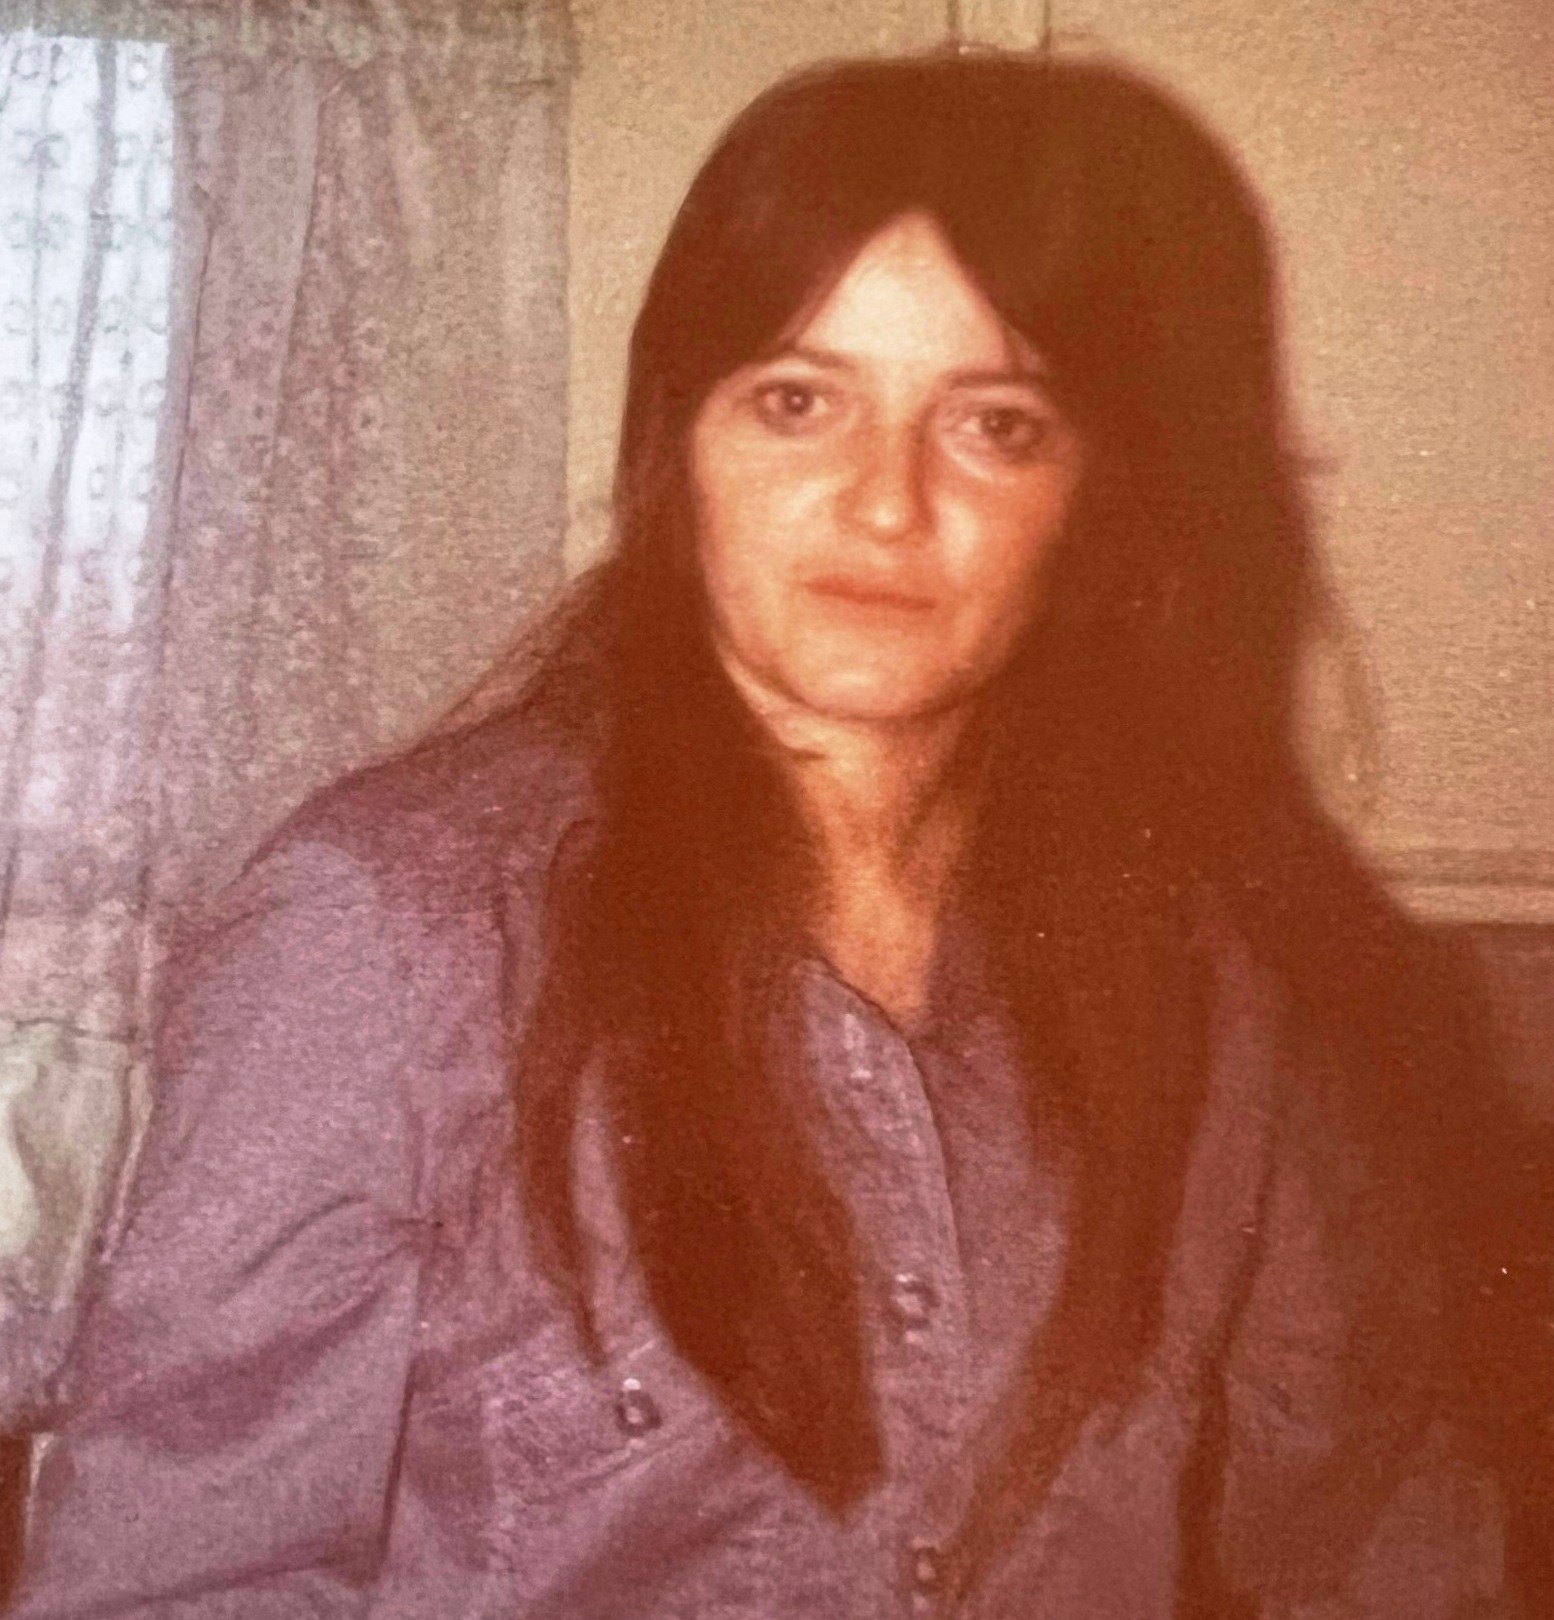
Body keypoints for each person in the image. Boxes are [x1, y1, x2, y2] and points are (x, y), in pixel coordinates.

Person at [10, 45, 1544, 1619]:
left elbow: (1373, 1520)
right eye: (798, 402)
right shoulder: (382, 938)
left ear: (1094, 498)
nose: (885, 502)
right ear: (676, 445)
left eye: (995, 423)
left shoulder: (1212, 968)